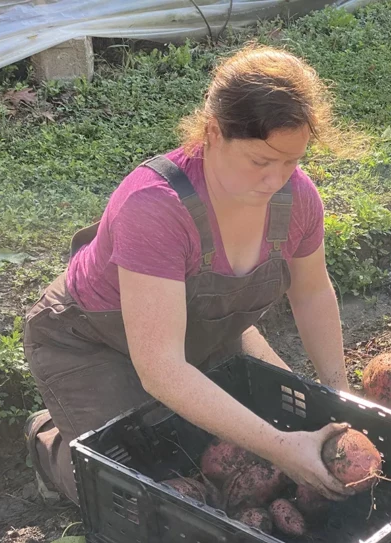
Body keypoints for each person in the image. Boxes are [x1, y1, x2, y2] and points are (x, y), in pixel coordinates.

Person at [23, 44, 356, 505]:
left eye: (291, 161)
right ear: (214, 134)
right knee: (140, 497)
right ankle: (47, 441)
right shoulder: (156, 207)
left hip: (203, 333)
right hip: (93, 341)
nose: (276, 179)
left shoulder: (298, 200)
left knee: (279, 432)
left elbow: (312, 292)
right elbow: (160, 368)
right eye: (261, 161)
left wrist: (339, 391)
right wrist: (280, 449)